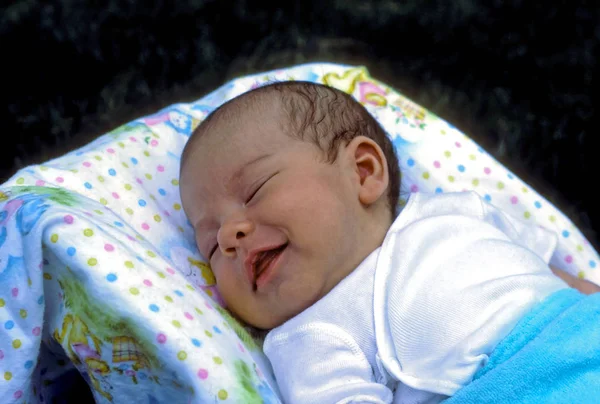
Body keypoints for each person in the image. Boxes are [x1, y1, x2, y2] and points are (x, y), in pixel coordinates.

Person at [179, 81, 600, 403]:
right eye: (211, 247)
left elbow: (552, 273)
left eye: (255, 191)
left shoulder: (454, 210)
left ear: (362, 172)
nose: (229, 236)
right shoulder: (311, 335)